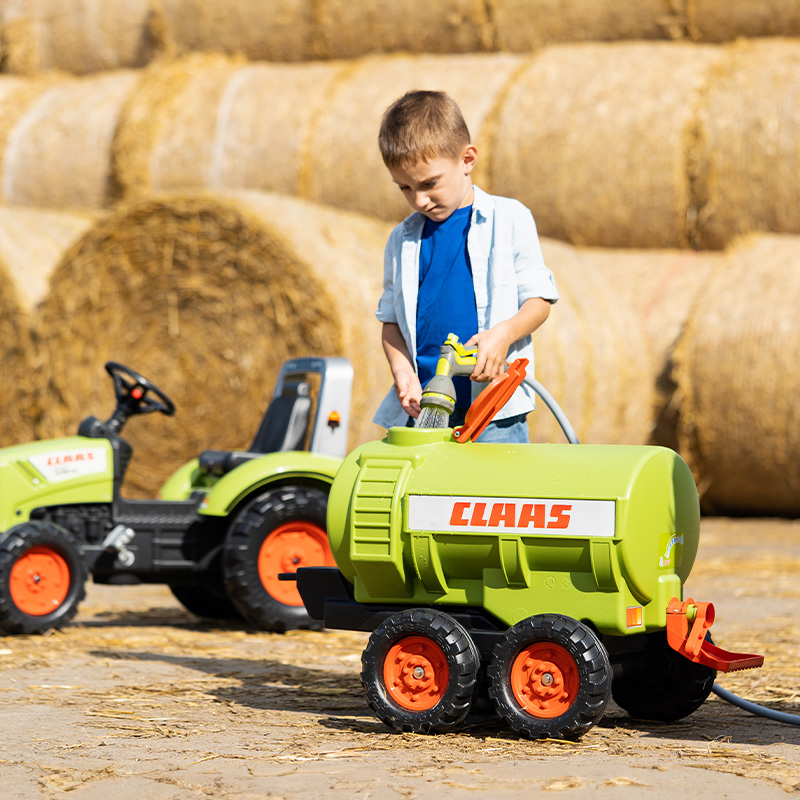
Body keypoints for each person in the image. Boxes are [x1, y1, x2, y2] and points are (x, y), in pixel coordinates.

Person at [373, 89, 559, 443]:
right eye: (405, 188)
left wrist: (502, 335)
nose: (419, 200)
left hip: (493, 408)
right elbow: (391, 323)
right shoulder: (402, 240)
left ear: (467, 159)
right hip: (424, 407)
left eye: (429, 184)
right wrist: (402, 373)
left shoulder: (510, 218)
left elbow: (539, 301)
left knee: (490, 496)